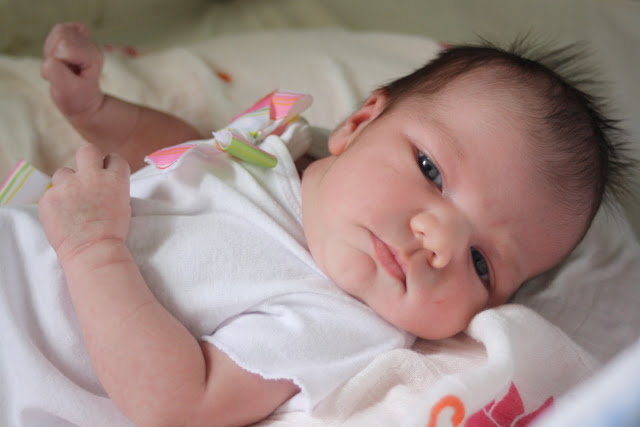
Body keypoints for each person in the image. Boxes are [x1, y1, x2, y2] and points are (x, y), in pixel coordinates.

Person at [0, 22, 629, 426]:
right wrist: (98, 111)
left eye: (482, 263)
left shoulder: (341, 323)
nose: (438, 242)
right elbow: (188, 156)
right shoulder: (276, 150)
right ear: (356, 124)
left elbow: (179, 402)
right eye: (431, 171)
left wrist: (94, 248)